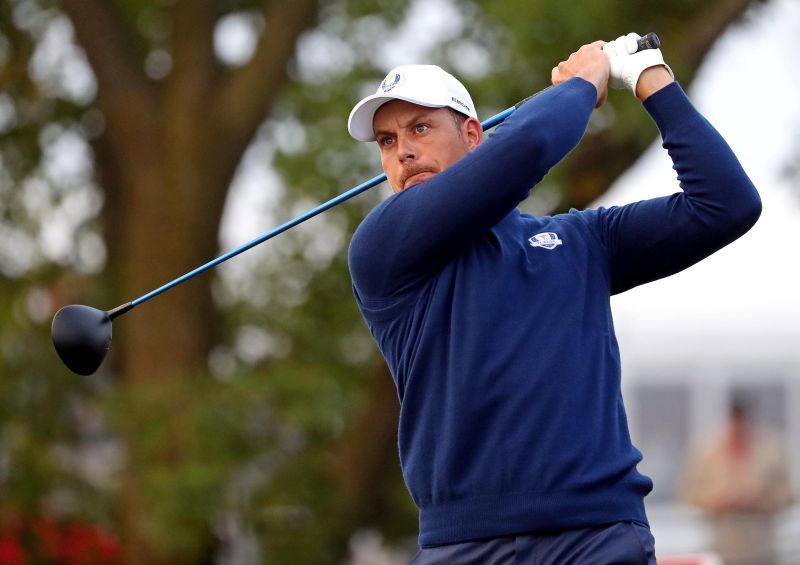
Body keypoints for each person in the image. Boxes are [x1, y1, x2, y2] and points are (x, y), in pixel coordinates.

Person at [346, 33, 761, 564]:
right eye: (386, 141)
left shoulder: (583, 241)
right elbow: (527, 148)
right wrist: (583, 85)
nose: (403, 151)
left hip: (596, 537)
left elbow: (725, 204)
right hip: (464, 546)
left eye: (420, 128)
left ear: (472, 135)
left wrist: (649, 77)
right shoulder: (383, 247)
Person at [682, 397, 794, 565]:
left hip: (762, 548)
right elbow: (690, 493)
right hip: (723, 548)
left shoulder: (771, 450)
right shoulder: (707, 451)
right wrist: (719, 500)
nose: (739, 427)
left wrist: (760, 499)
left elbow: (788, 495)